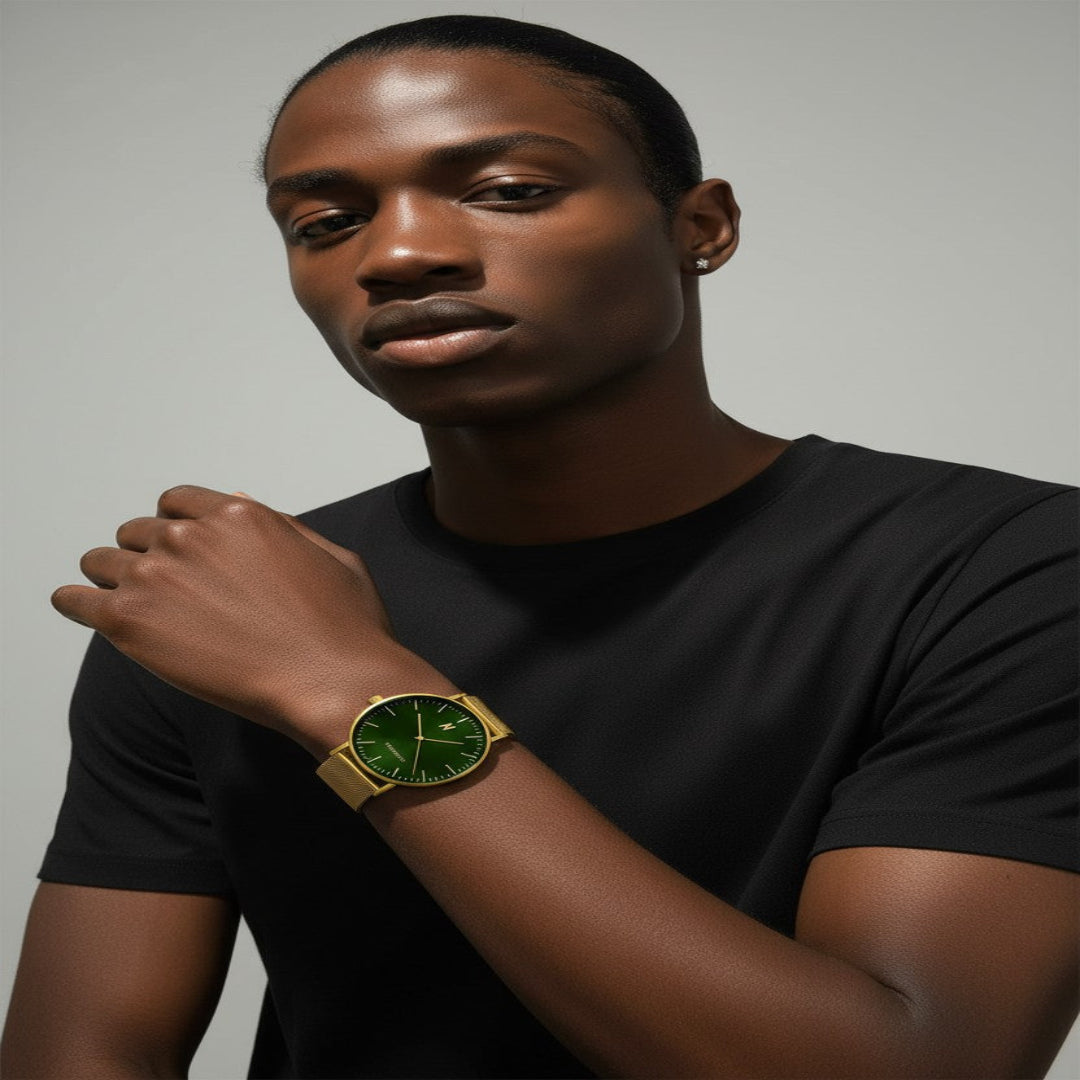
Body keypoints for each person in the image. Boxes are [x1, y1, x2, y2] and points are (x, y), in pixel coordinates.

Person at [3, 13, 1076, 1079]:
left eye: (509, 191)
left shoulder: (1009, 572)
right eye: (326, 221)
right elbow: (87, 1054)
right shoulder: (223, 611)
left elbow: (912, 1066)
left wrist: (347, 687)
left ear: (700, 226)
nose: (403, 252)